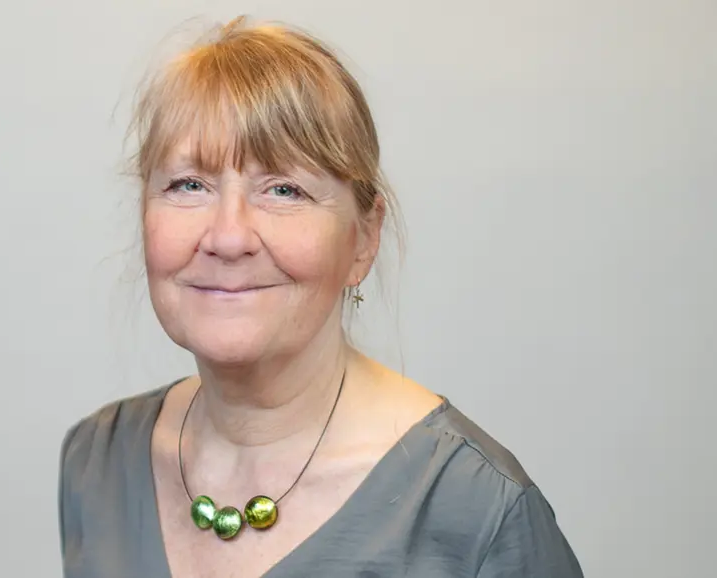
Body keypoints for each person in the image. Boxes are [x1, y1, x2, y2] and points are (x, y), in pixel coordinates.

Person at [57, 16, 583, 578]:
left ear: (364, 237)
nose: (228, 237)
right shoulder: (97, 465)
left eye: (284, 189)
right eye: (189, 184)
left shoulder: (479, 513)